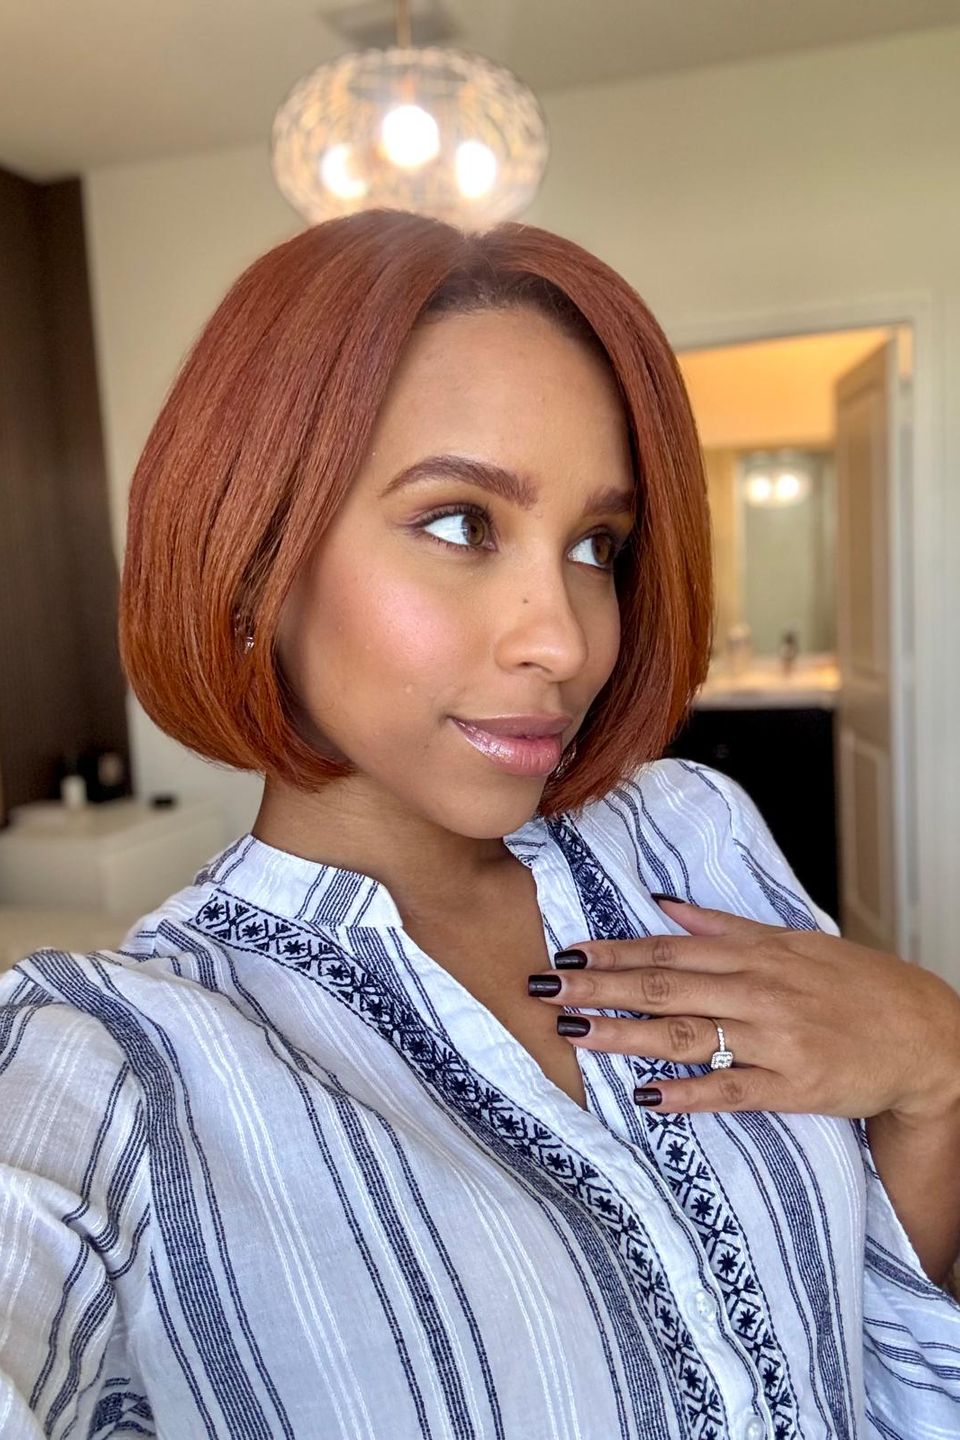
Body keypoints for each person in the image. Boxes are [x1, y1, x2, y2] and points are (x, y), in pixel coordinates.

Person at [1, 209, 958, 1440]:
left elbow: (878, 1353)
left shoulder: (692, 838)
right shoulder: (114, 1059)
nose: (563, 637)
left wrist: (935, 1062)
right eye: (461, 523)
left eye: (597, 545)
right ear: (254, 561)